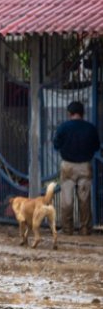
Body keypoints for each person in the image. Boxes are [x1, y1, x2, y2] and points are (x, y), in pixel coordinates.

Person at [53, 101, 100, 235]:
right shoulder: (91, 128)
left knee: (67, 199)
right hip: (85, 166)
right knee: (85, 199)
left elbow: (56, 145)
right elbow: (96, 146)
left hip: (68, 166)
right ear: (82, 113)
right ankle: (85, 229)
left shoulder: (63, 127)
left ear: (69, 113)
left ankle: (67, 229)